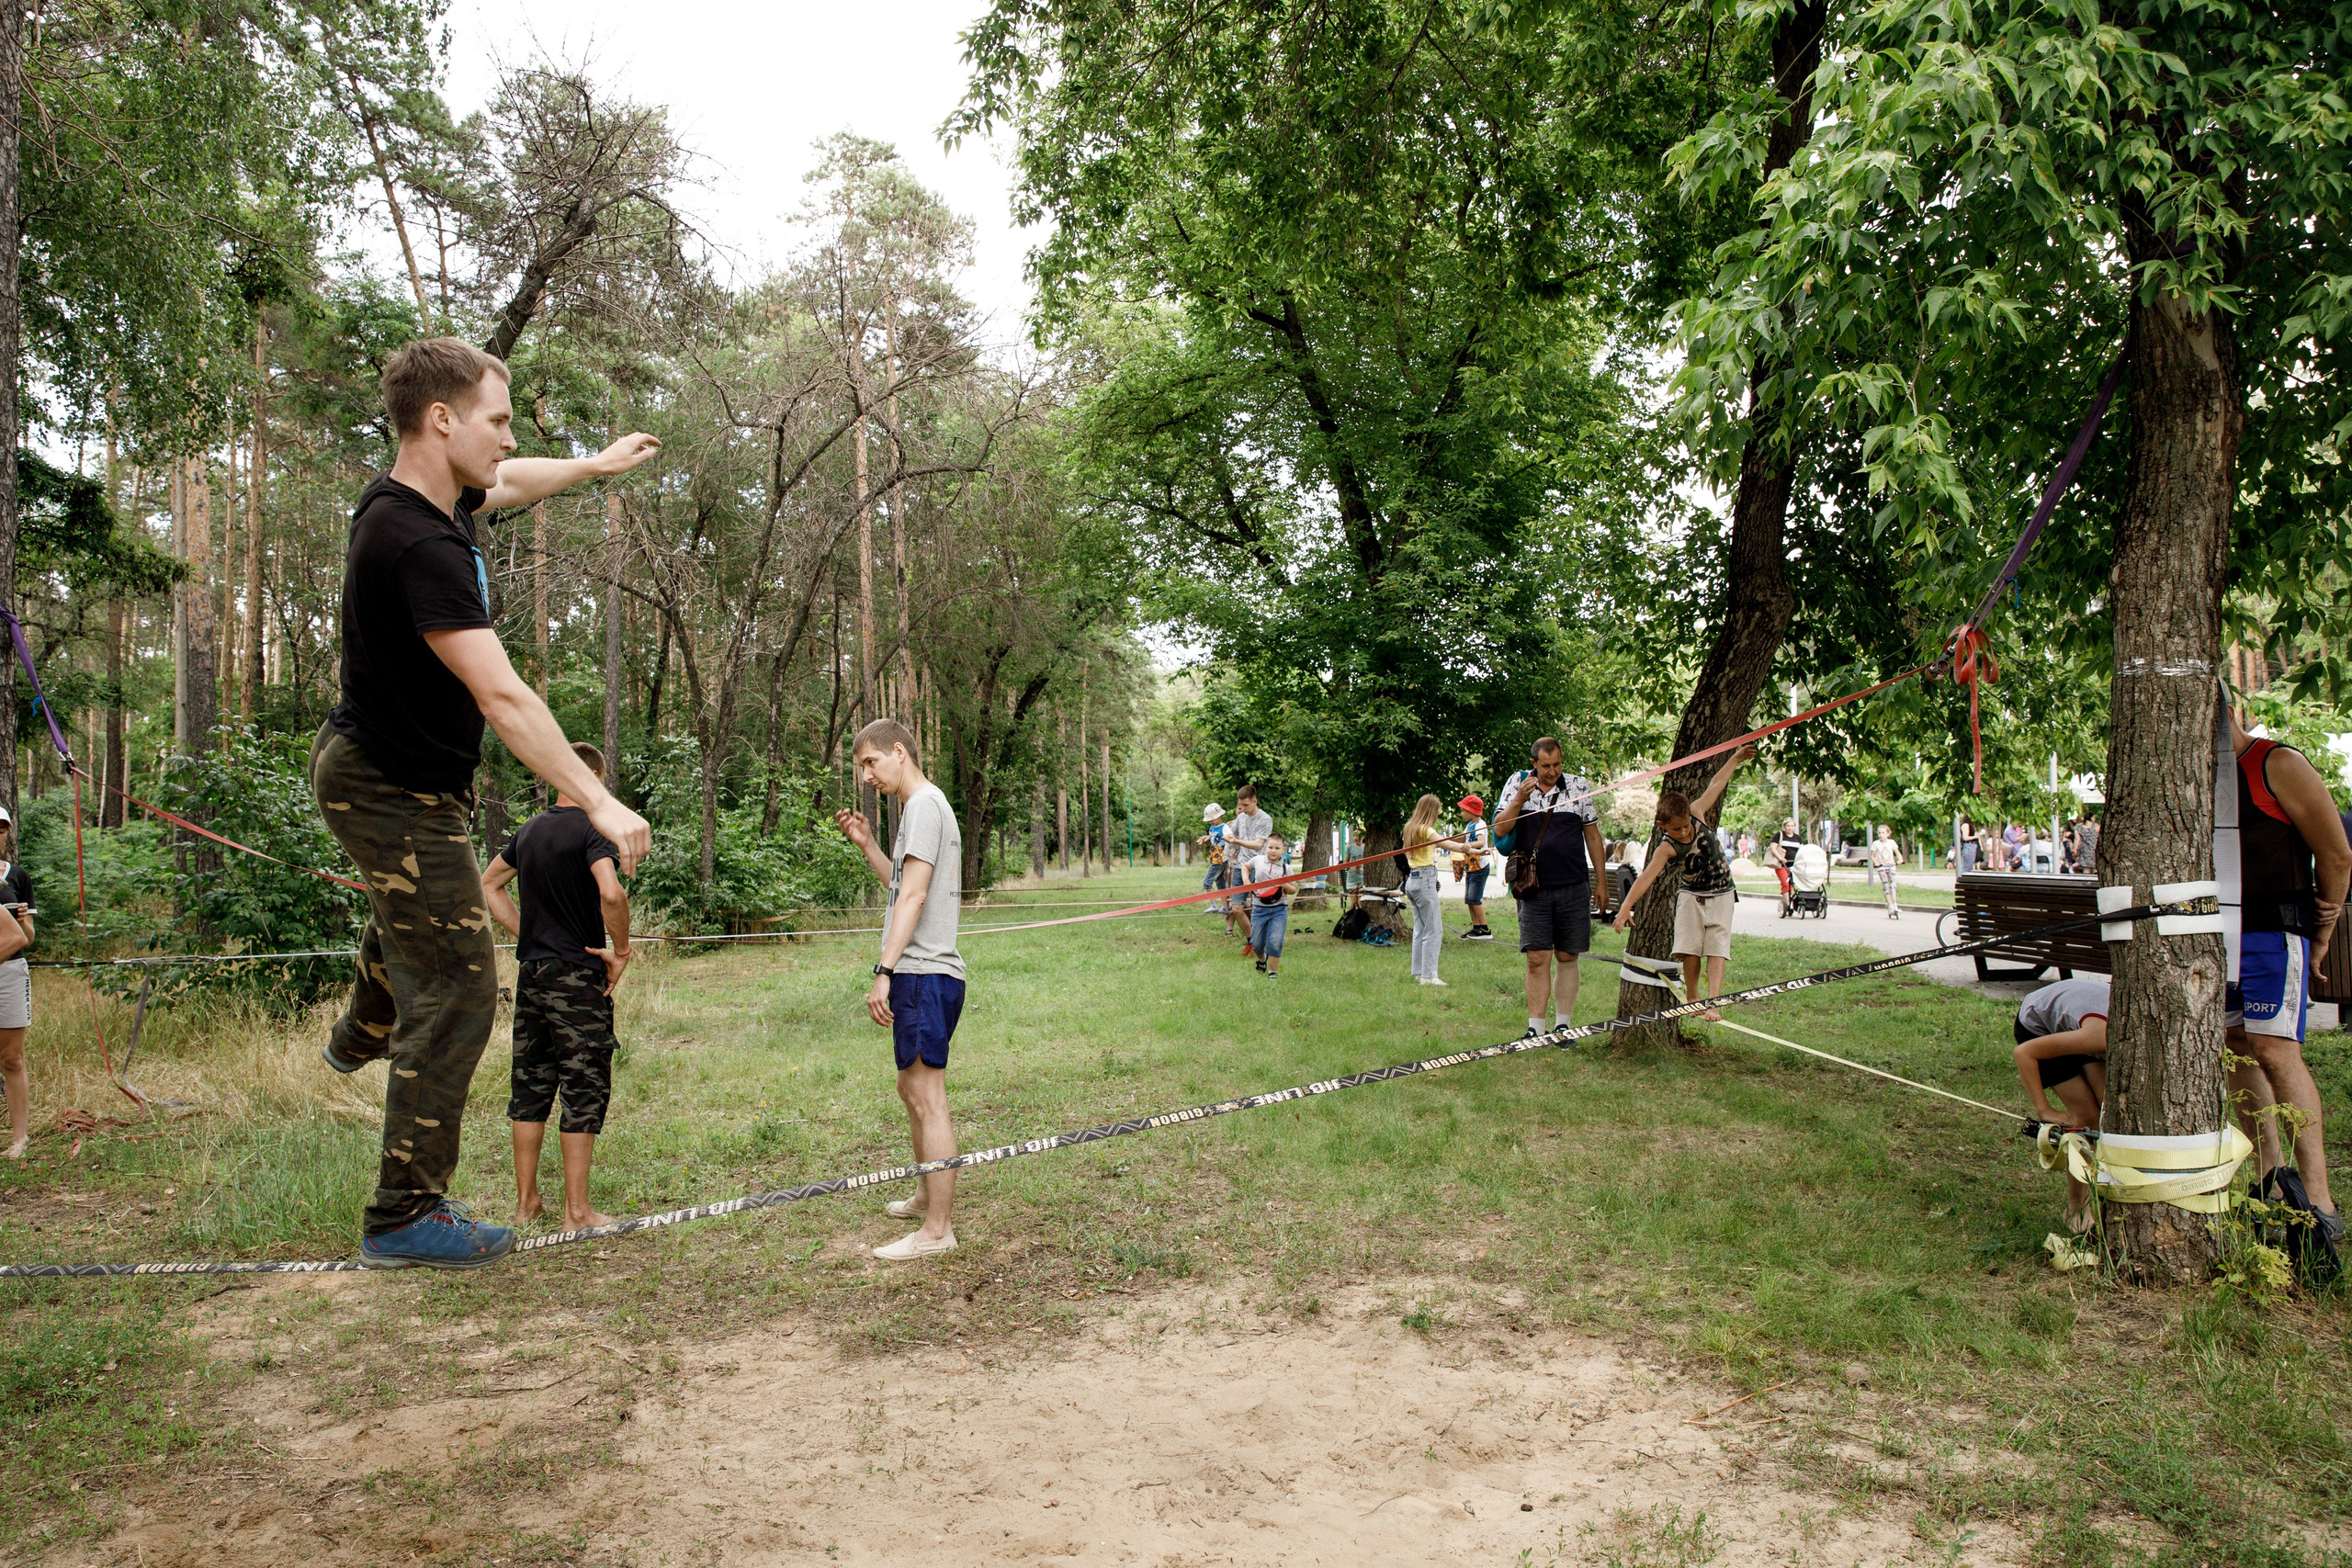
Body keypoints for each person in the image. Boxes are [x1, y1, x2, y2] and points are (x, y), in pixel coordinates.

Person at [312, 336, 654, 1271]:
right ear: (442, 419)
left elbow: (514, 486)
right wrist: (597, 801)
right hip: (386, 784)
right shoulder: (416, 541)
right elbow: (505, 698)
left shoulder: (432, 502)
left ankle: (364, 1028)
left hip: (396, 777)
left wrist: (591, 466)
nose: (508, 440)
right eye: (498, 421)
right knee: (461, 982)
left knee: (422, 914)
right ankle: (403, 1216)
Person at [481, 742, 633, 1232]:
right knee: (582, 1084)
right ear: (590, 777)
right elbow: (611, 892)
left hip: (532, 976)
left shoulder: (529, 830)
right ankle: (578, 1213)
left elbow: (488, 885)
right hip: (576, 975)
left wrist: (527, 932)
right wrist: (621, 949)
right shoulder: (593, 827)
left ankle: (527, 1205)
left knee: (531, 1084)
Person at [835, 718, 967, 1261]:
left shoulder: (922, 806)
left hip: (922, 973)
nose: (867, 776)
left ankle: (938, 1231)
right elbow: (903, 885)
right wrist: (868, 844)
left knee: (926, 1095)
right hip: (926, 972)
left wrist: (883, 970)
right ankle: (923, 1194)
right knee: (911, 1090)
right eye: (861, 768)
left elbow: (912, 901)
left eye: (870, 763)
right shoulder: (926, 808)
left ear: (898, 751)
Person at [2222, 705, 2348, 1258]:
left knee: (2275, 1051)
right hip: (2215, 936)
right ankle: (2271, 1175)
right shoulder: (2195, 773)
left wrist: (2324, 926)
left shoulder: (2276, 763)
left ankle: (2319, 1200)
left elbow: (2337, 854)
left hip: (2276, 933)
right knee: (2236, 1048)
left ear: (2226, 709)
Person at [1612, 743, 1759, 1022]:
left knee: (1717, 948)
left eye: (1685, 827)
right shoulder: (1666, 848)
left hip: (1722, 893)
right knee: (1690, 947)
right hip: (1691, 894)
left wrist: (1736, 758)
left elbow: (1717, 783)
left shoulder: (1696, 812)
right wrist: (1625, 908)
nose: (1683, 832)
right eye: (1676, 829)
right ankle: (1693, 997)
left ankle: (1713, 1002)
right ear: (1662, 826)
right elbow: (1645, 879)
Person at [1493, 738, 1607, 1038]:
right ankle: (1535, 1028)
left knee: (1568, 956)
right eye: (1545, 766)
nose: (1552, 771)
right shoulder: (1517, 785)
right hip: (1533, 888)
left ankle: (1563, 1026)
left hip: (1573, 884)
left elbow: (1593, 837)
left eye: (1557, 764)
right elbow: (1500, 830)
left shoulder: (1579, 786)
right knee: (1537, 957)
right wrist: (1519, 798)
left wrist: (1602, 882)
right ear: (1534, 763)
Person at [2012, 976, 2110, 1231]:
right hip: (2038, 1027)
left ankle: (2108, 1196)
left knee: (2109, 1112)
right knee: (2087, 1116)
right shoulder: (2102, 1036)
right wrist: (2044, 1110)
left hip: (2082, 1024)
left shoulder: (2107, 1035)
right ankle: (2077, 1208)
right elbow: (2025, 1053)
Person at [1401, 794, 1462, 987]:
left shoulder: (1409, 828)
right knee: (1434, 930)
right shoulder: (1426, 830)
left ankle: (1419, 972)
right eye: (1437, 812)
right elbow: (1449, 844)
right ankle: (1428, 976)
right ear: (1431, 811)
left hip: (1412, 880)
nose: (1437, 815)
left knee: (1420, 929)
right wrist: (1469, 848)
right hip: (1425, 880)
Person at [0, 814, 32, 1159]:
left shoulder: (17, 876)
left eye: (1, 828)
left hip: (9, 972)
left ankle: (19, 1139)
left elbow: (22, 937)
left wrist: (24, 920)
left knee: (11, 1058)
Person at [1227, 785, 1273, 951]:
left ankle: (1262, 944)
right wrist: (1211, 838)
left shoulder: (1265, 819)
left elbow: (1258, 845)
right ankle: (1252, 942)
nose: (1242, 809)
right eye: (1240, 805)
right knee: (1237, 909)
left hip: (1260, 868)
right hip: (1241, 867)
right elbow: (1231, 835)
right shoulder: (1241, 818)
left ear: (1255, 801)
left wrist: (1237, 841)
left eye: (1246, 805)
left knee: (1259, 910)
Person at [1245, 833, 1293, 976]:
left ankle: (1273, 972)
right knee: (1257, 944)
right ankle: (1262, 959)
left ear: (1283, 849)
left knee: (1275, 941)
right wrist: (1246, 881)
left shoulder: (1287, 868)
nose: (1273, 850)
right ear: (1266, 847)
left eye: (1277, 848)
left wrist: (1284, 883)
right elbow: (1245, 867)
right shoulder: (1258, 860)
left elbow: (1292, 889)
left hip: (1279, 909)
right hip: (1259, 909)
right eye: (1270, 847)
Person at [1453, 795, 1493, 940]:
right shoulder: (1470, 826)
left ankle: (1485, 929)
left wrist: (1469, 845)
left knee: (1475, 899)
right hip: (1471, 867)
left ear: (1472, 811)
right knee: (1469, 899)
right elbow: (1462, 838)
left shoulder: (1480, 825)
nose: (1462, 813)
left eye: (1463, 810)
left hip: (1480, 866)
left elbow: (1480, 842)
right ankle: (1476, 928)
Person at [1195, 803, 1236, 935]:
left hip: (1220, 859)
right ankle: (1224, 906)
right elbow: (1212, 839)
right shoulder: (1212, 828)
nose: (1211, 821)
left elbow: (1231, 837)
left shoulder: (1224, 828)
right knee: (1220, 883)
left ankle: (1214, 905)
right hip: (1214, 857)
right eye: (1209, 820)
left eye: (1212, 819)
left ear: (1220, 816)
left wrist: (1228, 839)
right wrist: (1205, 839)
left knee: (1207, 882)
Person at [1768, 818, 1803, 911]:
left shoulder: (1797, 838)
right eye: (1788, 826)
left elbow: (1801, 851)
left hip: (1794, 865)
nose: (1790, 828)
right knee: (1786, 883)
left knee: (1792, 885)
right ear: (1784, 826)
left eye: (1792, 826)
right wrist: (1780, 858)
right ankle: (1788, 905)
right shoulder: (1780, 835)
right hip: (1782, 864)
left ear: (1794, 826)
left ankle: (1793, 902)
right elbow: (1773, 847)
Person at [1870, 825, 1903, 920]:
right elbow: (1872, 856)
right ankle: (1890, 905)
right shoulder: (1876, 844)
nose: (1881, 835)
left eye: (1883, 833)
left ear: (1888, 834)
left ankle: (1894, 903)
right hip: (1882, 867)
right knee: (1886, 885)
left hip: (1891, 866)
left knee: (1893, 885)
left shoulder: (1891, 843)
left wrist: (1900, 859)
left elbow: (1897, 853)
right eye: (1879, 833)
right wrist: (1876, 862)